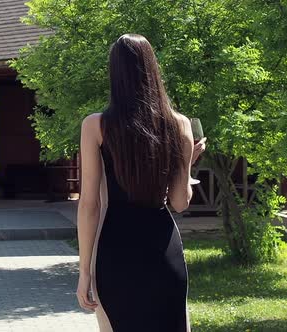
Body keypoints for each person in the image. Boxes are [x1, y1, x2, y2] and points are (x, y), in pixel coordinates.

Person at [76, 33, 206, 332]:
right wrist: (185, 164)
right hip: (162, 249)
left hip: (116, 251)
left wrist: (85, 272)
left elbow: (89, 204)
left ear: (115, 73)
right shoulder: (179, 124)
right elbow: (179, 202)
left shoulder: (95, 126)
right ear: (152, 69)